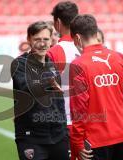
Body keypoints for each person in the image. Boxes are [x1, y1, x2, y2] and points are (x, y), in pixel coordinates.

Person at [69, 14, 123, 160]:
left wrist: (77, 142)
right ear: (95, 31)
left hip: (96, 140)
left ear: (77, 38)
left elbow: (79, 108)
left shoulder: (78, 65)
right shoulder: (118, 57)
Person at [11, 21, 70, 160]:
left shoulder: (52, 64)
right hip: (31, 137)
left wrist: (64, 132)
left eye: (46, 39)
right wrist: (47, 81)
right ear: (29, 40)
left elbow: (58, 102)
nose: (42, 43)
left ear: (51, 41)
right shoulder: (19, 64)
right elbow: (26, 86)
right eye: (37, 39)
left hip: (58, 136)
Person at [47, 1, 80, 159]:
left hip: (64, 125)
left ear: (58, 23)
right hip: (89, 124)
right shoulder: (85, 48)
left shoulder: (54, 52)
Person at [97, 28, 123, 103]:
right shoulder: (85, 64)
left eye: (98, 40)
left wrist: (114, 102)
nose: (96, 44)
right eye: (93, 42)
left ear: (103, 42)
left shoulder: (115, 61)